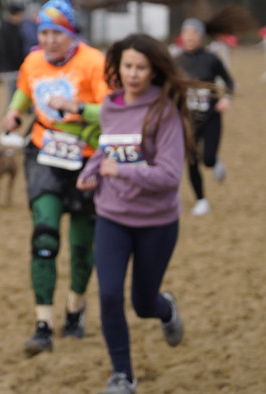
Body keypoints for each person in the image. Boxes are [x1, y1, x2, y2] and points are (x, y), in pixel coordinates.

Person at [77, 34, 193, 394]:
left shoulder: (165, 111)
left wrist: (119, 170)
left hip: (156, 223)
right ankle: (123, 377)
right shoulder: (111, 106)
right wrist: (92, 169)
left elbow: (170, 176)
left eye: (141, 67)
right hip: (112, 216)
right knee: (109, 296)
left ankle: (166, 310)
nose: (133, 73)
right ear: (117, 67)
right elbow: (109, 148)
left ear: (154, 70)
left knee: (143, 303)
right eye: (127, 66)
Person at [1, 0, 109, 357]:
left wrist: (78, 108)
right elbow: (24, 90)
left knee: (81, 246)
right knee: (44, 236)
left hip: (86, 158)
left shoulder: (94, 62)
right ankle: (43, 324)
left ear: (71, 34)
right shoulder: (33, 61)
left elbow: (113, 110)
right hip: (44, 154)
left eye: (56, 34)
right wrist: (14, 113)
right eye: (44, 33)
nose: (49, 40)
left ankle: (75, 310)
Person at [175, 18, 234, 217]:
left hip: (211, 117)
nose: (190, 37)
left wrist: (226, 99)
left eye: (195, 33)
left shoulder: (212, 58)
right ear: (181, 36)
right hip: (189, 120)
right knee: (191, 160)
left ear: (201, 36)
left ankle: (214, 162)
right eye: (187, 33)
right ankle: (201, 200)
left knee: (207, 159)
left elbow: (229, 82)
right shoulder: (176, 61)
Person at [0, 1, 29, 100]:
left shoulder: (15, 28)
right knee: (12, 96)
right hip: (12, 67)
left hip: (15, 66)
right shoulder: (8, 29)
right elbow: (12, 49)